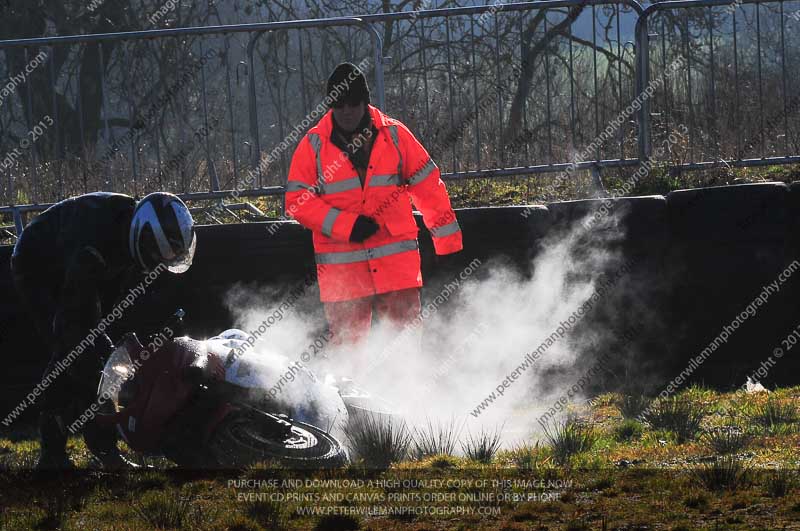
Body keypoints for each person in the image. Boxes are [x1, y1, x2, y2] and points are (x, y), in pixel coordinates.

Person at [10, 191, 196, 469]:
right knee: (70, 352)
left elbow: (107, 317)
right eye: (156, 255)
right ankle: (52, 455)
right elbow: (75, 318)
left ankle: (103, 447)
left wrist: (109, 355)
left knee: (102, 356)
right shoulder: (91, 247)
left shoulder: (130, 244)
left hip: (84, 265)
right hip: (38, 265)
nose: (158, 263)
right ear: (144, 236)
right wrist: (95, 355)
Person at [285, 62, 463, 354]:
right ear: (330, 105)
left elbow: (428, 186)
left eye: (353, 103)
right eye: (339, 104)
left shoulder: (395, 135)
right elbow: (296, 201)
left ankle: (406, 386)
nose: (346, 110)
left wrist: (448, 243)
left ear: (365, 102)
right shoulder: (313, 145)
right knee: (347, 355)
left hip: (396, 268)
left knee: (404, 348)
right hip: (344, 273)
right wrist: (346, 226)